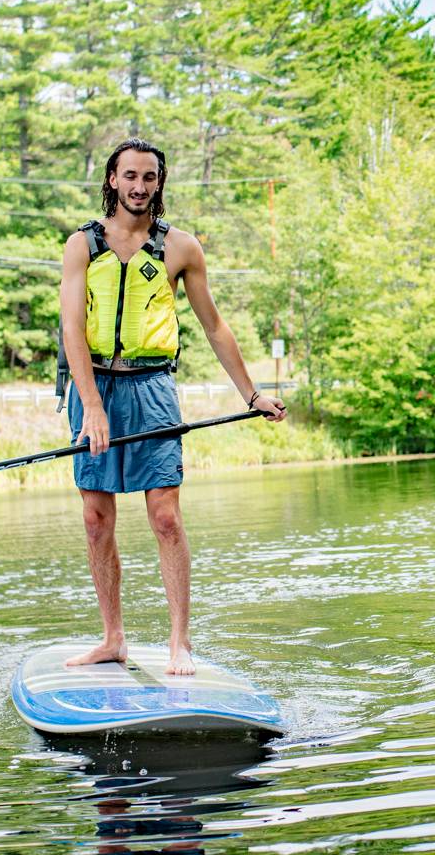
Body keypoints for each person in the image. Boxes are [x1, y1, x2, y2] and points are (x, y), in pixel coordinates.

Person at [59, 137, 284, 675]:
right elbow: (71, 329)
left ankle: (179, 642)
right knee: (95, 520)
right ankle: (113, 638)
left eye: (149, 177)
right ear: (112, 179)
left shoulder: (181, 248)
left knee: (165, 517)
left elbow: (214, 326)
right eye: (129, 176)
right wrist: (91, 405)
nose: (139, 186)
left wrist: (251, 394)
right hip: (94, 389)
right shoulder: (81, 245)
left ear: (159, 183)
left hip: (152, 388)